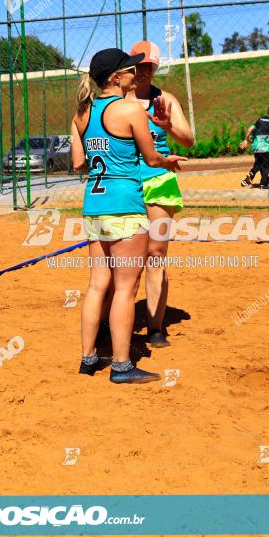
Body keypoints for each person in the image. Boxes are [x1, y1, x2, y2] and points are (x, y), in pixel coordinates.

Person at [71, 47, 186, 385]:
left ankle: (89, 358)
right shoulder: (131, 110)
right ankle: (122, 366)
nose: (137, 75)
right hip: (125, 204)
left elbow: (78, 163)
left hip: (94, 204)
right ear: (116, 77)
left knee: (96, 285)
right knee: (125, 288)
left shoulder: (81, 112)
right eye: (131, 70)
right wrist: (168, 160)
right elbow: (151, 158)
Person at [127, 41, 195, 348]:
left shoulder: (164, 99)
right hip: (124, 182)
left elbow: (188, 139)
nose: (143, 71)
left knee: (155, 254)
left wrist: (169, 127)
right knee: (125, 259)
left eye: (148, 66)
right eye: (138, 66)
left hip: (158, 180)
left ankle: (155, 326)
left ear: (155, 68)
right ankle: (115, 320)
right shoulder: (118, 100)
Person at [240, 107, 269, 189]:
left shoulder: (259, 119)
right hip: (264, 146)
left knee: (260, 163)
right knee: (265, 165)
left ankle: (266, 182)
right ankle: (259, 180)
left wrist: (245, 140)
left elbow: (250, 130)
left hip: (255, 145)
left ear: (268, 112)